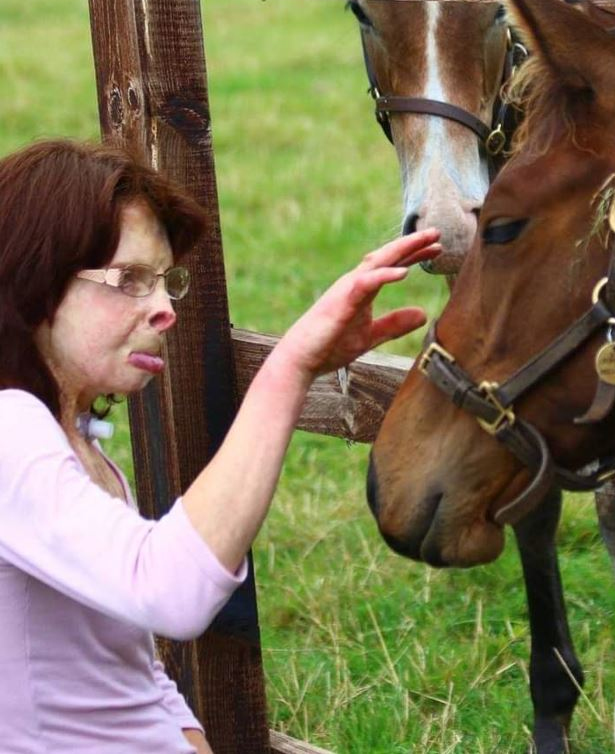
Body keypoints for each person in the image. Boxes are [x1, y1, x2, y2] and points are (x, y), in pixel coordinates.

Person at [0, 138, 441, 754]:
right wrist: (290, 366)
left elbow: (132, 666)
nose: (164, 310)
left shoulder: (75, 445)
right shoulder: (9, 432)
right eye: (129, 279)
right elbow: (167, 591)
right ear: (36, 278)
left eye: (163, 283)